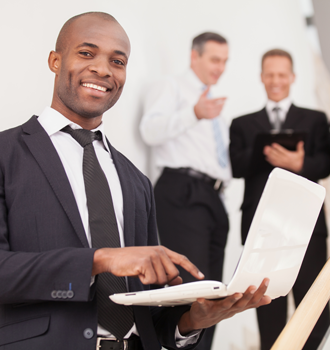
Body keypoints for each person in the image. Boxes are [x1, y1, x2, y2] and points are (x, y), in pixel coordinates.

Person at [0, 12, 271, 350]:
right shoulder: (6, 154)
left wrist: (190, 322)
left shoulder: (136, 182)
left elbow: (145, 310)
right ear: (55, 61)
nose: (103, 69)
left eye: (118, 61)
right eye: (86, 53)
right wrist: (100, 259)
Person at [230, 49, 330, 350]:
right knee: (267, 307)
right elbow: (236, 167)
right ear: (262, 77)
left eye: (282, 74)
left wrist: (299, 164)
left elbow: (325, 163)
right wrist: (268, 154)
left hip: (307, 226)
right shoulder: (242, 123)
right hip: (263, 229)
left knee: (313, 307)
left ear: (292, 77)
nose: (276, 80)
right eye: (270, 74)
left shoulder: (315, 119)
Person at [140, 32, 231, 350]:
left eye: (225, 61)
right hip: (183, 193)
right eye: (214, 59)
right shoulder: (173, 88)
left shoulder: (214, 102)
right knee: (192, 295)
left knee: (214, 297)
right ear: (195, 56)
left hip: (213, 199)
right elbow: (149, 130)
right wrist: (194, 112)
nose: (221, 67)